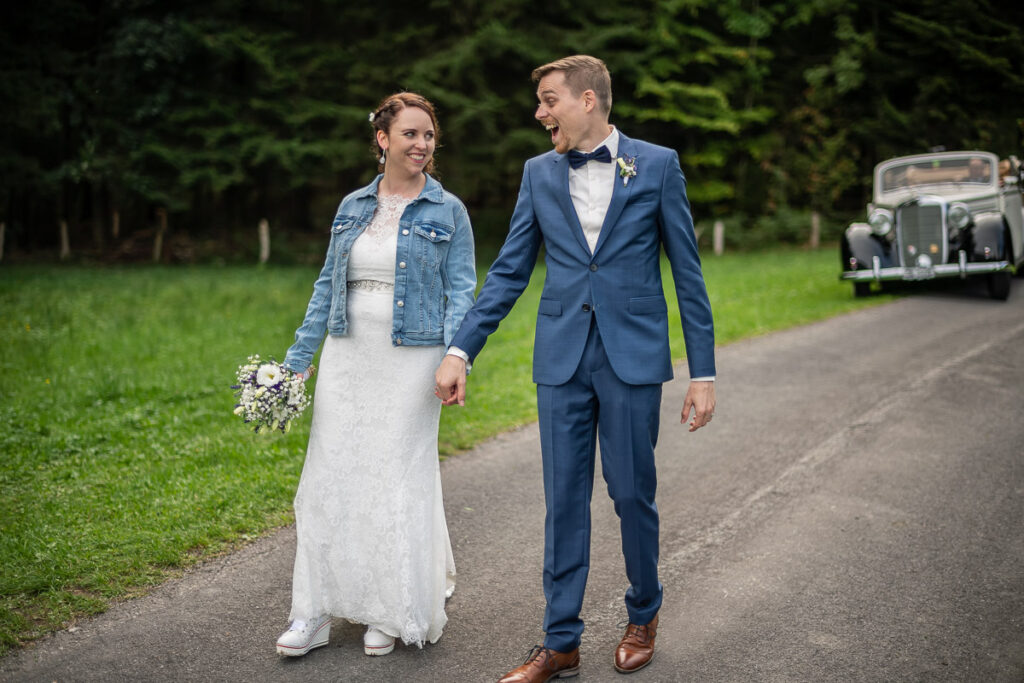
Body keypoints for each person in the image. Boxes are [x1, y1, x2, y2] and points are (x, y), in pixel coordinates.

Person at [435, 55, 716, 681]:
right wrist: (461, 350)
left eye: (548, 99)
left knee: (630, 493)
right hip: (561, 359)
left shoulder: (658, 165)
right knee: (563, 500)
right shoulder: (538, 174)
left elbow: (689, 278)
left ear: (587, 100)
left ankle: (644, 611)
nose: (539, 112)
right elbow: (509, 271)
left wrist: (704, 372)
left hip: (633, 359)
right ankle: (560, 641)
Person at [275, 92, 476, 659]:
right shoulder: (352, 205)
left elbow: (462, 291)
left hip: (413, 359)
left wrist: (456, 356)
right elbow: (323, 286)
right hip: (346, 353)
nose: (422, 145)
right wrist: (298, 359)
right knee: (329, 475)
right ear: (382, 139)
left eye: (429, 136)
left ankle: (390, 608)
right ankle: (312, 610)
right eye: (410, 134)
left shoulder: (448, 210)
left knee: (396, 476)